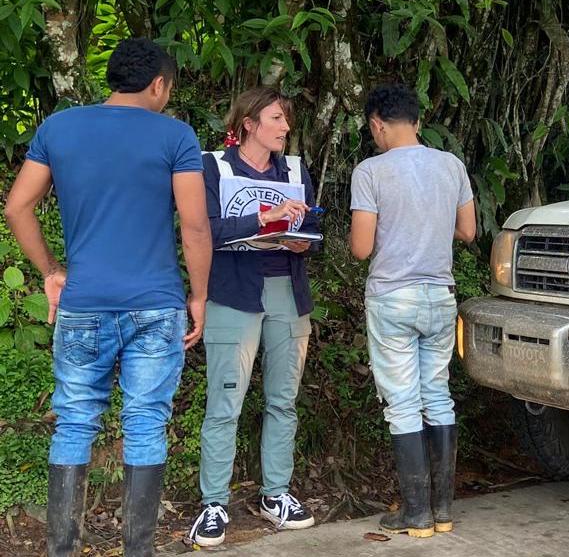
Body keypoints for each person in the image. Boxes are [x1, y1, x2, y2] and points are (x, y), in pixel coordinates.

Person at [3, 38, 211, 557]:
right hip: (155, 303)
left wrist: (52, 270)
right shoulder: (175, 135)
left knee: (74, 421)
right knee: (146, 422)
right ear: (159, 84)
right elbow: (194, 225)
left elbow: (16, 208)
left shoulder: (60, 128)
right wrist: (201, 296)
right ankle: (138, 550)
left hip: (83, 303)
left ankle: (62, 549)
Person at [185, 87, 319, 547]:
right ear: (249, 123)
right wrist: (261, 218)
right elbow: (202, 229)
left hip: (287, 289)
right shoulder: (213, 166)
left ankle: (275, 494)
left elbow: (311, 229)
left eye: (286, 120)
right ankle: (213, 503)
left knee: (283, 400)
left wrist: (303, 238)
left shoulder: (296, 169)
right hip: (232, 292)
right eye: (278, 118)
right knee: (225, 403)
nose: (286, 128)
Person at [349, 83, 476, 538]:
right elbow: (468, 231)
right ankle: (442, 512)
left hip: (392, 298)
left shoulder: (371, 171)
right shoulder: (451, 165)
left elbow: (362, 249)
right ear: (418, 122)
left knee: (402, 403)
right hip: (439, 296)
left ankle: (416, 513)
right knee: (437, 394)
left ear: (377, 125)